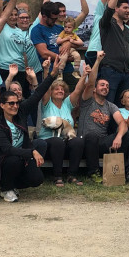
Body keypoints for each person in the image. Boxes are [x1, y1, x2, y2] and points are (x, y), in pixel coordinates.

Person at [76, 52, 129, 179]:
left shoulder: (110, 106)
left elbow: (122, 123)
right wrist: (98, 61)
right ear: (95, 89)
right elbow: (91, 82)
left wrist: (119, 137)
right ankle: (93, 173)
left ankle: (122, 171)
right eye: (102, 85)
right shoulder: (87, 100)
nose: (105, 87)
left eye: (107, 86)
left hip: (101, 143)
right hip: (85, 142)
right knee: (92, 136)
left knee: (125, 135)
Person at [38, 54, 87, 185]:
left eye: (62, 89)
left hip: (65, 141)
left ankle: (72, 175)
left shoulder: (67, 103)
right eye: (56, 89)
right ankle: (57, 176)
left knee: (77, 142)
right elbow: (46, 87)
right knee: (57, 141)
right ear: (52, 92)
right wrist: (47, 71)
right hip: (48, 143)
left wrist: (84, 75)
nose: (60, 91)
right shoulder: (47, 102)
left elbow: (77, 90)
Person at [0, 91, 46, 202]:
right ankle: (6, 188)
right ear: (2, 105)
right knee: (14, 159)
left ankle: (14, 184)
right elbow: (8, 149)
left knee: (37, 179)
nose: (15, 106)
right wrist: (31, 152)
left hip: (22, 156)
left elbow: (36, 96)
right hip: (6, 160)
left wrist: (52, 75)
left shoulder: (21, 114)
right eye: (11, 103)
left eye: (17, 103)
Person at [99, 0, 129, 104]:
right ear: (116, 8)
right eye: (125, 8)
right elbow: (108, 10)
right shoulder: (107, 24)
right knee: (107, 105)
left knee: (120, 108)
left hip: (125, 74)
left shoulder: (127, 31)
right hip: (110, 72)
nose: (128, 11)